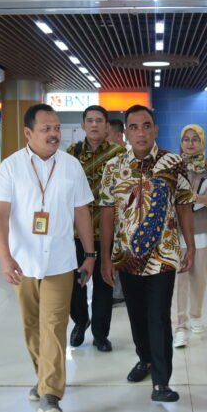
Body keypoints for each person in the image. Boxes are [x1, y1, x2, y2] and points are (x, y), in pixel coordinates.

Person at [0, 103, 96, 412]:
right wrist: (5, 257)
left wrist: (90, 254)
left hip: (60, 260)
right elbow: (0, 215)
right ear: (28, 133)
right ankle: (42, 377)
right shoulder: (10, 167)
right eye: (46, 129)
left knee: (53, 325)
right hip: (23, 260)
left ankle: (51, 393)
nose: (54, 134)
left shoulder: (71, 166)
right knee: (31, 325)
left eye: (57, 128)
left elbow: (82, 212)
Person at [99, 104, 195, 403]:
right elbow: (106, 213)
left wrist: (190, 245)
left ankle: (161, 382)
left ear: (155, 129)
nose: (140, 132)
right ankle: (145, 359)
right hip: (126, 256)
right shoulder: (113, 167)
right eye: (134, 127)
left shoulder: (173, 162)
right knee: (137, 315)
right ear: (126, 133)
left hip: (163, 255)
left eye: (146, 126)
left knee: (159, 317)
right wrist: (104, 257)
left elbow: (183, 205)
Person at [66, 105, 125, 351]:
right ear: (83, 125)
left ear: (107, 126)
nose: (94, 125)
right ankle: (81, 321)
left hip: (106, 230)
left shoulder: (118, 153)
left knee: (104, 283)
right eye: (89, 120)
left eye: (99, 120)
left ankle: (100, 334)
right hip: (75, 231)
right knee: (74, 283)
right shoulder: (72, 153)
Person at [172, 124, 207, 348]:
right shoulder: (173, 168)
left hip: (203, 229)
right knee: (181, 278)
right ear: (181, 143)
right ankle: (180, 325)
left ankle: (196, 315)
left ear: (202, 142)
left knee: (199, 277)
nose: (191, 143)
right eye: (186, 139)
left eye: (195, 139)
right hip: (178, 231)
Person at [106, 117, 127, 306]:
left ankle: (119, 293)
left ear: (120, 135)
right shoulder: (109, 160)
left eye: (108, 134)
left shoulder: (127, 161)